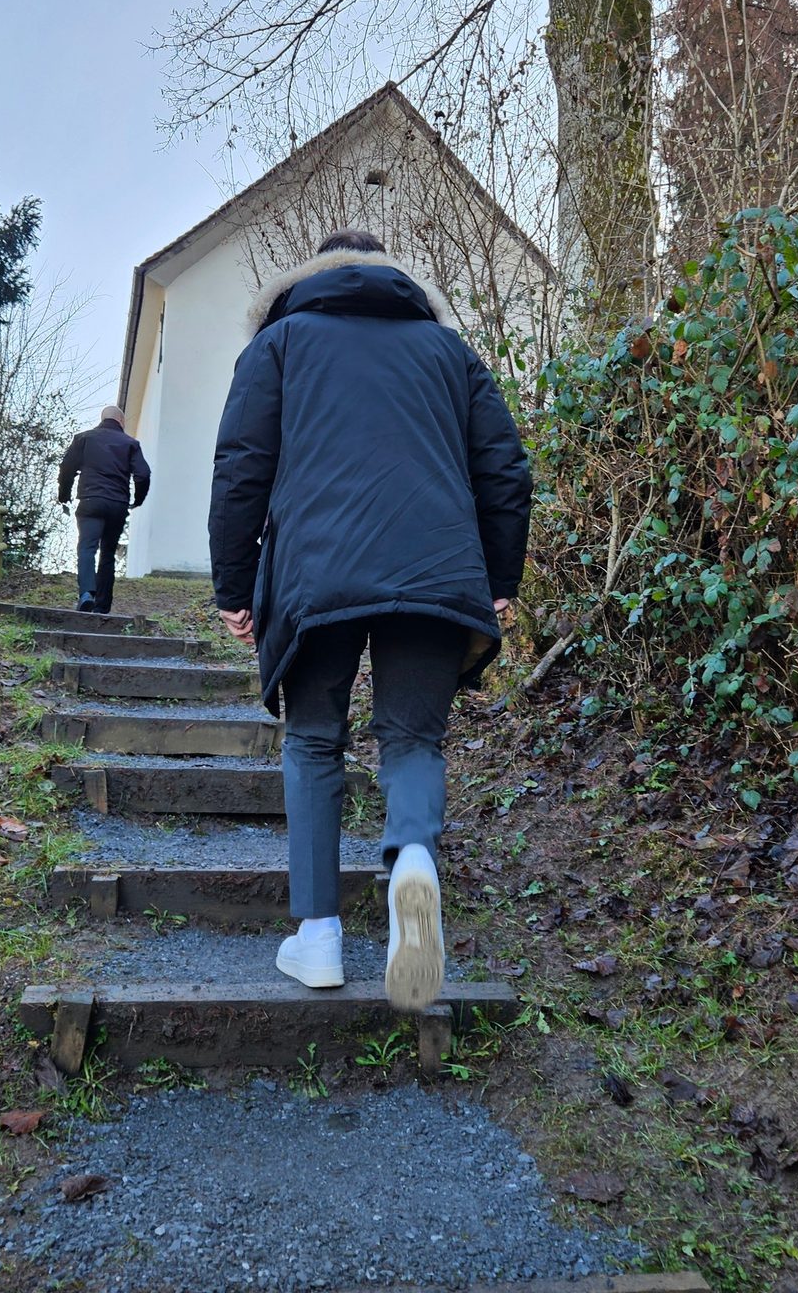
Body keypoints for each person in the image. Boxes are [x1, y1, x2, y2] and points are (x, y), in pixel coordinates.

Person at [210, 229, 532, 1011]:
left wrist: (235, 585)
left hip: (314, 569)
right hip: (436, 563)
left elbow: (242, 467)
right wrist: (498, 578)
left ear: (308, 275)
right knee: (414, 739)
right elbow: (504, 470)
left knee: (313, 738)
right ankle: (413, 861)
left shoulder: (279, 343)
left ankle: (318, 934)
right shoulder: (450, 353)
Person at [58, 404, 150, 614]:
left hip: (90, 500)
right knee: (108, 553)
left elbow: (67, 468)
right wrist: (138, 500)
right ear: (121, 421)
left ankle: (86, 594)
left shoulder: (84, 439)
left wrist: (64, 496)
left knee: (87, 548)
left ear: (102, 419)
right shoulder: (130, 443)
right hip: (117, 504)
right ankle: (102, 606)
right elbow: (143, 474)